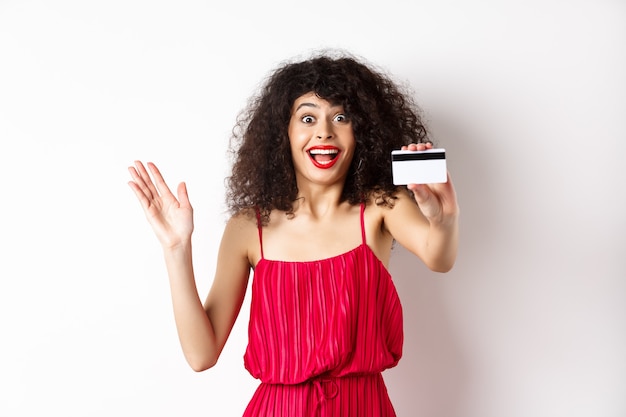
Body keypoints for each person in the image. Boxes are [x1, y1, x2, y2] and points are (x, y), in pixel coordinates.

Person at [128, 51, 459, 416]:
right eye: (307, 117)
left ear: (361, 130)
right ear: (283, 132)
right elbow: (201, 355)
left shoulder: (383, 206)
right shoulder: (247, 228)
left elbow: (439, 257)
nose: (324, 131)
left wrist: (443, 219)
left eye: (341, 116)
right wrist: (177, 248)